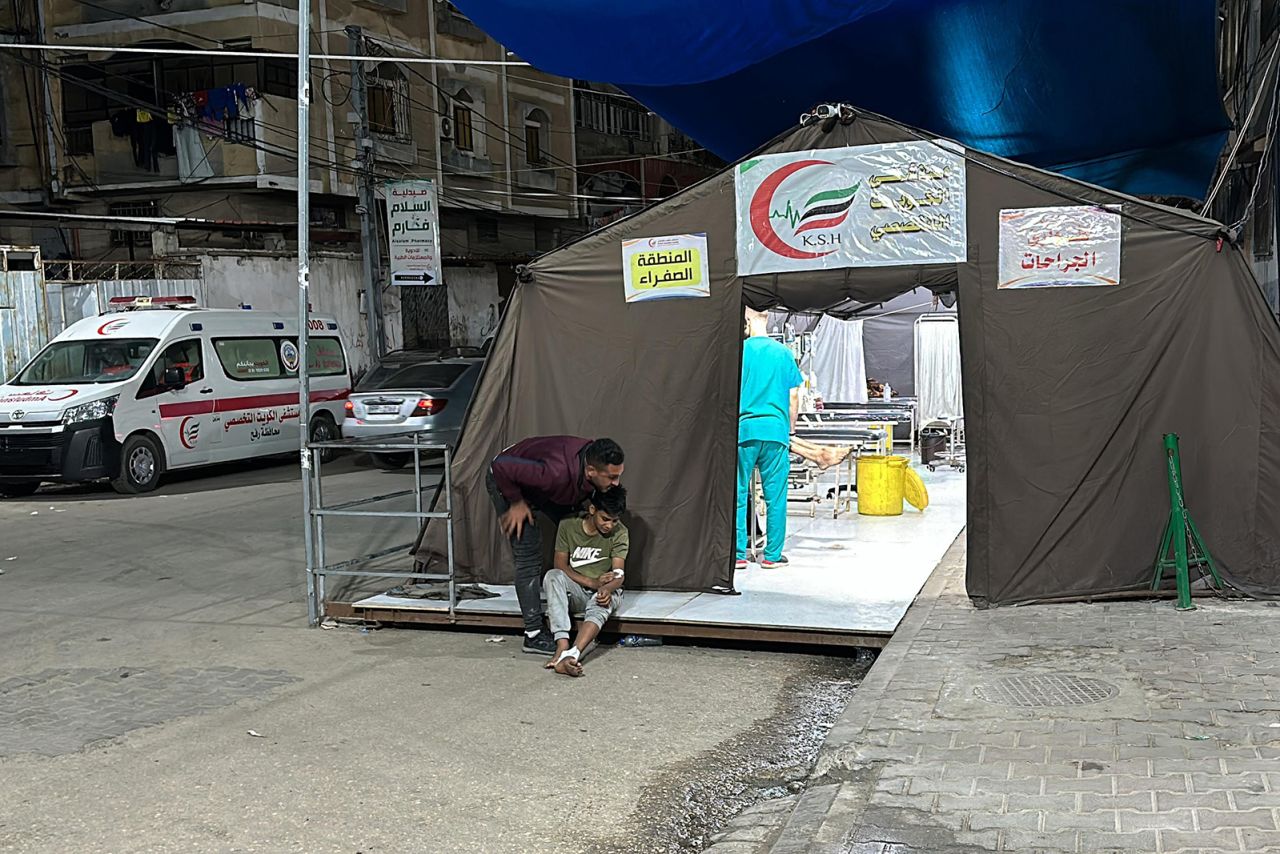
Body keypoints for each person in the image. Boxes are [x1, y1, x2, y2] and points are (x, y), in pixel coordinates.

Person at [487, 436, 625, 654]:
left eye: (619, 476)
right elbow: (501, 466)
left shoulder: (589, 462)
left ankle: (579, 591)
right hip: (508, 481)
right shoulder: (555, 472)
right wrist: (516, 501)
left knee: (574, 524)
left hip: (546, 487)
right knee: (529, 554)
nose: (616, 483)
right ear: (590, 471)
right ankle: (533, 634)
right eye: (612, 477)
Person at [737, 307, 804, 570]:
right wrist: (792, 432)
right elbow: (794, 397)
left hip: (744, 432)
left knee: (740, 493)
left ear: (746, 321)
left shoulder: (739, 352)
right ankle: (772, 556)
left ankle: (739, 555)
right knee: (775, 497)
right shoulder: (784, 354)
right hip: (775, 432)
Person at [542, 487, 629, 677]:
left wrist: (606, 588)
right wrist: (593, 582)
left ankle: (572, 654)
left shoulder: (620, 532)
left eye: (615, 521)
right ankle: (562, 644)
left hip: (604, 590)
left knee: (603, 601)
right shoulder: (568, 525)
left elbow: (619, 574)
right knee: (552, 576)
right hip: (578, 589)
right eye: (605, 519)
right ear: (592, 510)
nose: (610, 526)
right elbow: (560, 564)